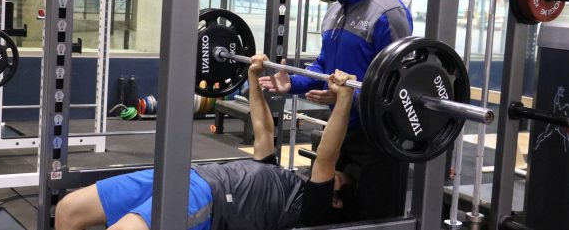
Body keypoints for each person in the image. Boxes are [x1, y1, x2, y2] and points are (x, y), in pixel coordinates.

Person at [55, 54, 359, 230]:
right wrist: (253, 77)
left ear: (335, 200)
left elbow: (326, 157)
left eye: (336, 179)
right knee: (68, 210)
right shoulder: (280, 177)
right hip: (189, 176)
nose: (328, 175)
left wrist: (344, 97)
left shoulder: (311, 208)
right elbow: (263, 129)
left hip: (210, 201)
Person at [259, 0, 413, 220]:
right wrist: (293, 82)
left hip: (378, 139)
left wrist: (346, 98)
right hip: (341, 132)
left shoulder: (388, 13)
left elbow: (399, 88)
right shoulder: (334, 12)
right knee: (337, 213)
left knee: (374, 220)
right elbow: (324, 65)